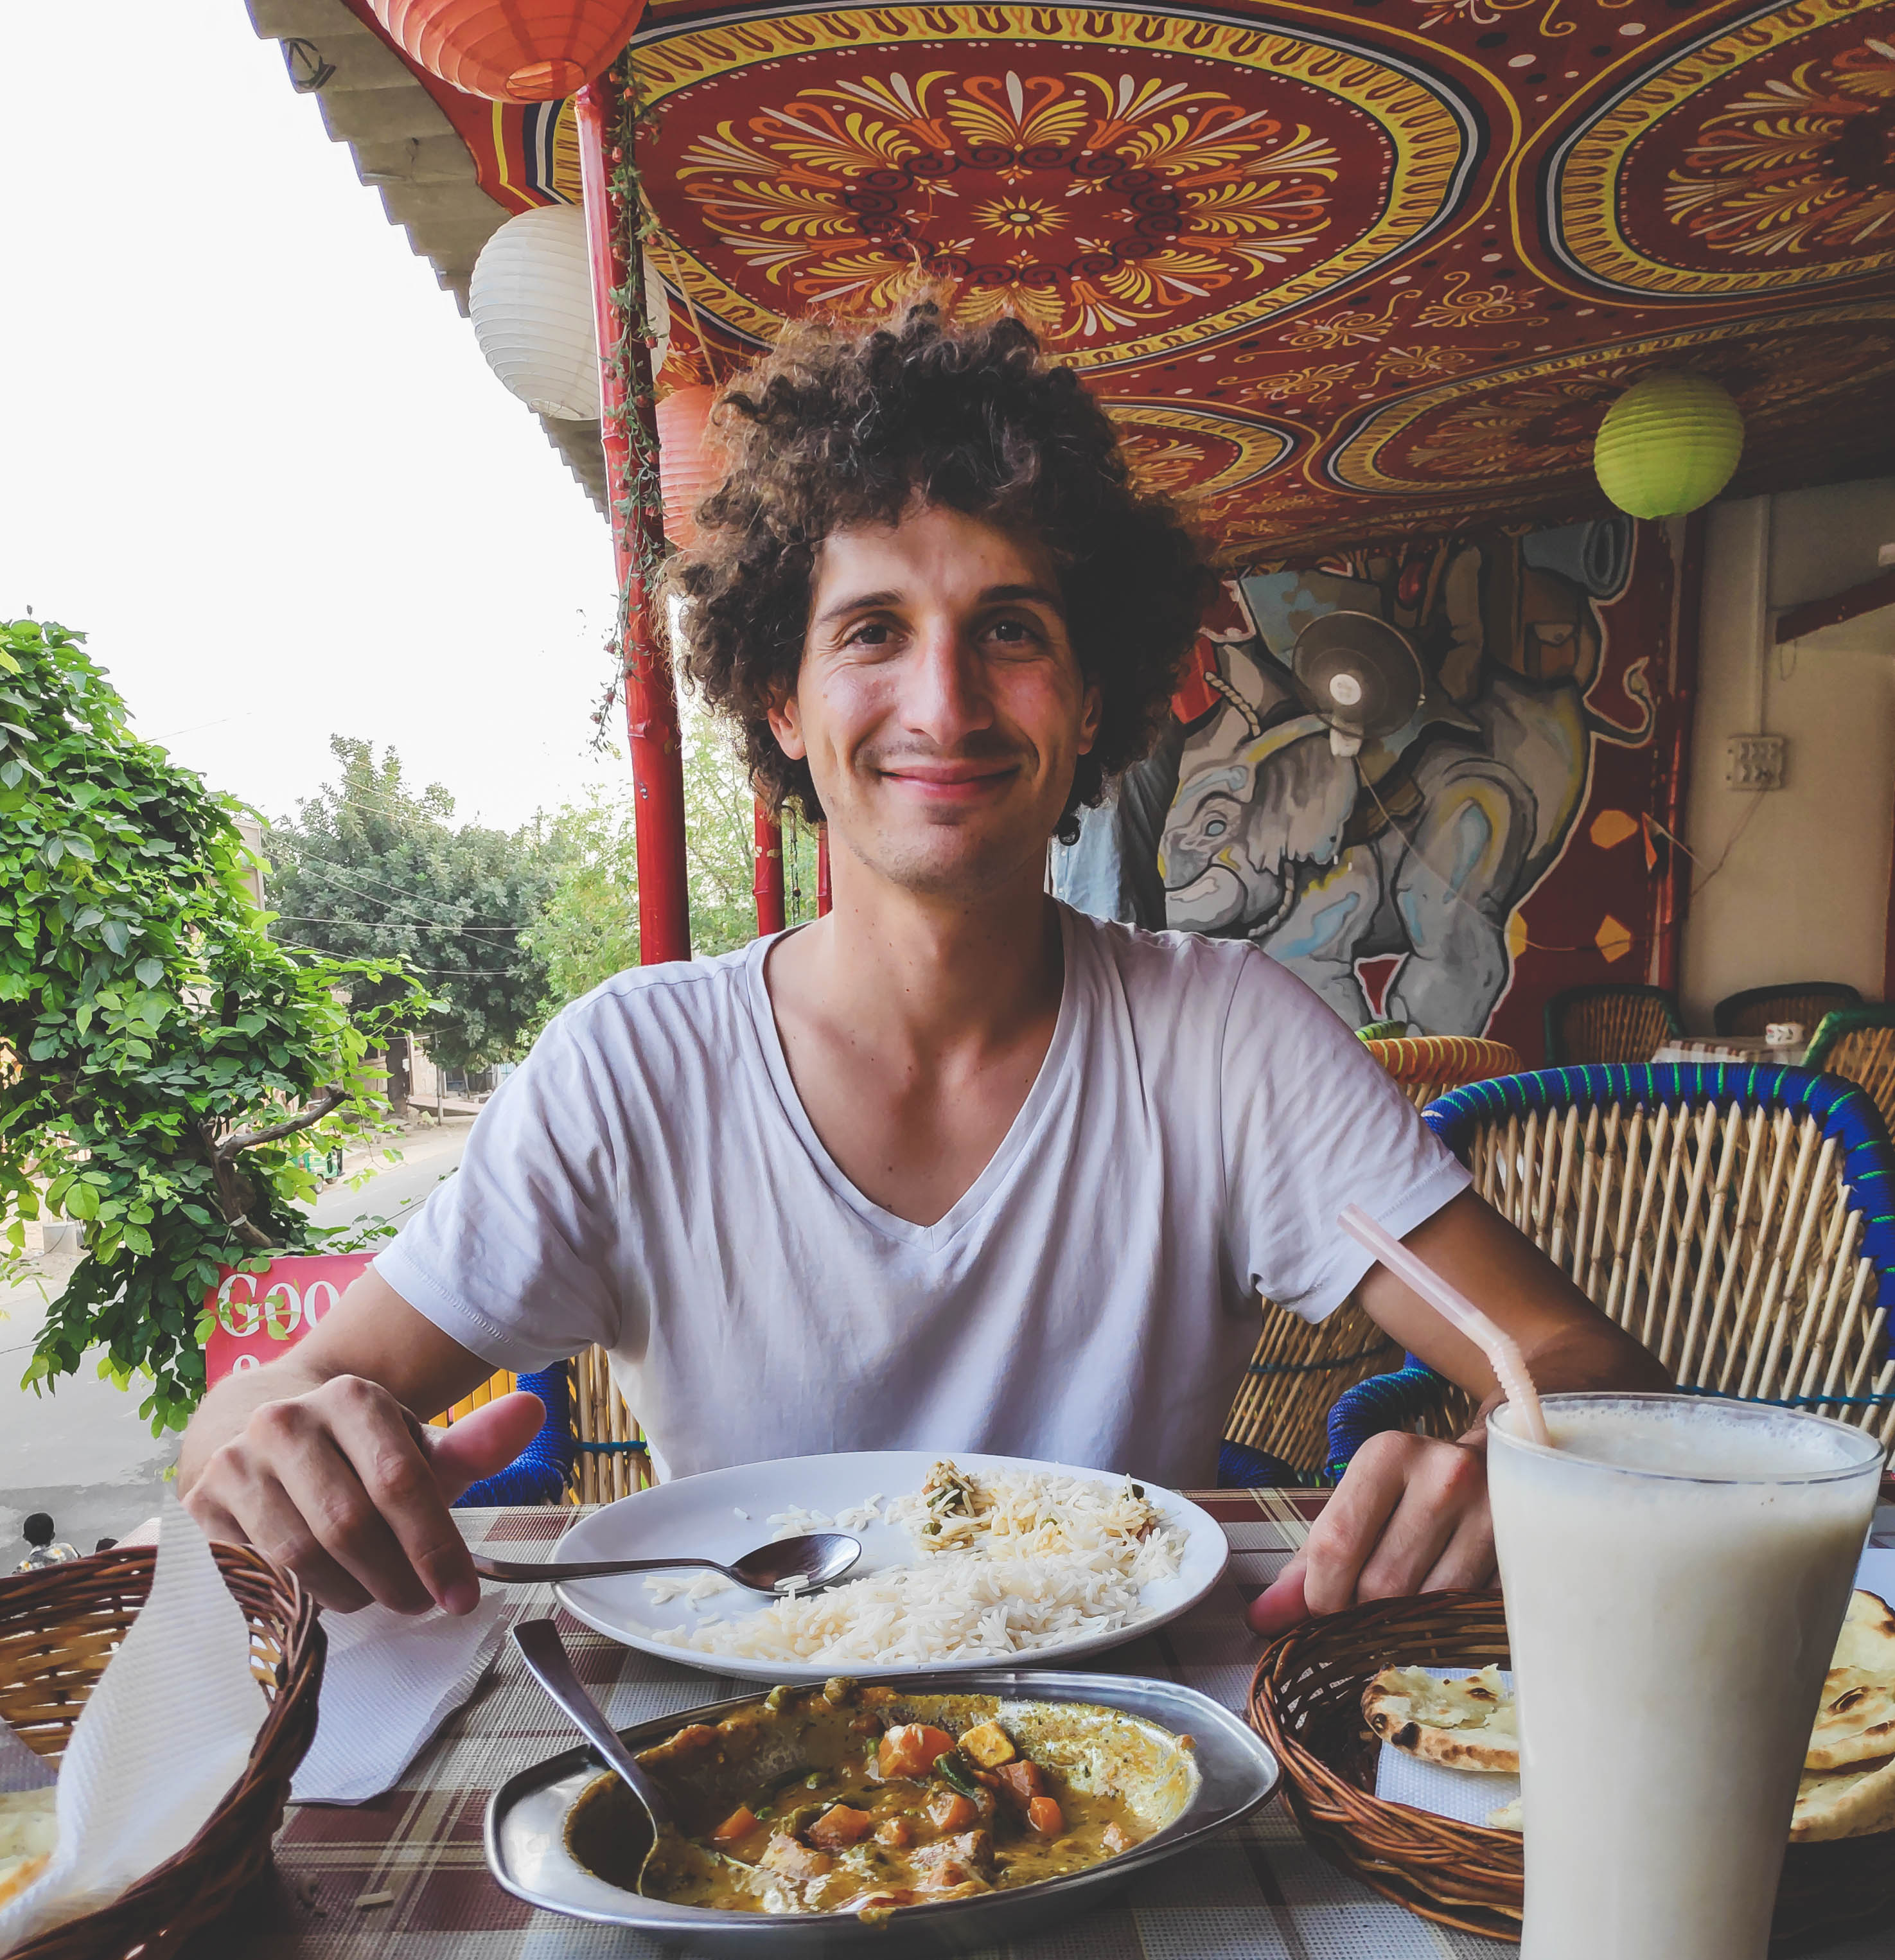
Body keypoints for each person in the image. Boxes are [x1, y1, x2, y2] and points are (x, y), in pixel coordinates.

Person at [179, 303, 1662, 1628]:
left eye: (1008, 629)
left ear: (1090, 697)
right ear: (780, 696)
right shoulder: (630, 1071)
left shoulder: (1224, 1041)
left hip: (1140, 1758)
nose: (942, 703)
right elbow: (260, 1411)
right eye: (872, 631)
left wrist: (1507, 1461)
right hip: (739, 1767)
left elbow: (1583, 1364)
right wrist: (266, 1451)